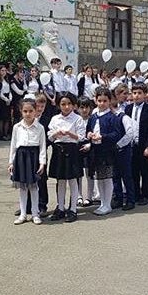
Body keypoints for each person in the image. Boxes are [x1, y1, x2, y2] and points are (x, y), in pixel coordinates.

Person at [83, 87, 123, 215]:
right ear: (95, 100)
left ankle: (107, 204)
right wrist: (89, 135)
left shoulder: (112, 117)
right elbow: (88, 130)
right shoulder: (93, 117)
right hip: (96, 151)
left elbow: (116, 134)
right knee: (99, 178)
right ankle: (102, 203)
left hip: (107, 151)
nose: (102, 103)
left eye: (105, 101)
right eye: (99, 101)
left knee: (107, 178)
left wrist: (103, 137)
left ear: (109, 101)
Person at [48, 92, 86, 223]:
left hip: (72, 150)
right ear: (59, 105)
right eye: (63, 104)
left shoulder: (77, 118)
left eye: (69, 104)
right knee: (61, 180)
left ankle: (73, 209)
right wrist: (56, 134)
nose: (66, 107)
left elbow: (81, 137)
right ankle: (60, 208)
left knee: (73, 180)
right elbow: (49, 136)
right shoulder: (55, 119)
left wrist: (70, 134)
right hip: (59, 150)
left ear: (74, 105)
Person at [9, 96, 47, 225]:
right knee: (23, 187)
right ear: (21, 111)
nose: (28, 114)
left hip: (33, 156)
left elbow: (42, 147)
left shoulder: (40, 127)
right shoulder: (17, 127)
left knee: (34, 187)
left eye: (31, 111)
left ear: (35, 111)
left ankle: (35, 213)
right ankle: (23, 214)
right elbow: (13, 145)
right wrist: (11, 162)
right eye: (25, 111)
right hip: (21, 157)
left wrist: (42, 162)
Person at [125, 83, 148, 206]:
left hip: (143, 145)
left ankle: (145, 194)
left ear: (145, 95)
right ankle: (136, 194)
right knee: (134, 171)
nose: (137, 96)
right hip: (131, 145)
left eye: (139, 93)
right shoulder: (128, 109)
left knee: (145, 171)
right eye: (134, 93)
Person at [111, 89, 135, 210]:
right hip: (112, 151)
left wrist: (119, 145)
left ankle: (130, 200)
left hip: (123, 150)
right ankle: (118, 199)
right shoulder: (107, 116)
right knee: (115, 175)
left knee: (126, 176)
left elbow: (130, 133)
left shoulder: (122, 116)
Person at [76, 96, 96, 206]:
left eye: (87, 107)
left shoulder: (93, 119)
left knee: (89, 173)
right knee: (78, 174)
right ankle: (79, 196)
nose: (84, 110)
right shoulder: (76, 119)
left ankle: (89, 196)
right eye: (82, 107)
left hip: (90, 148)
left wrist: (90, 144)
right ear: (77, 108)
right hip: (77, 147)